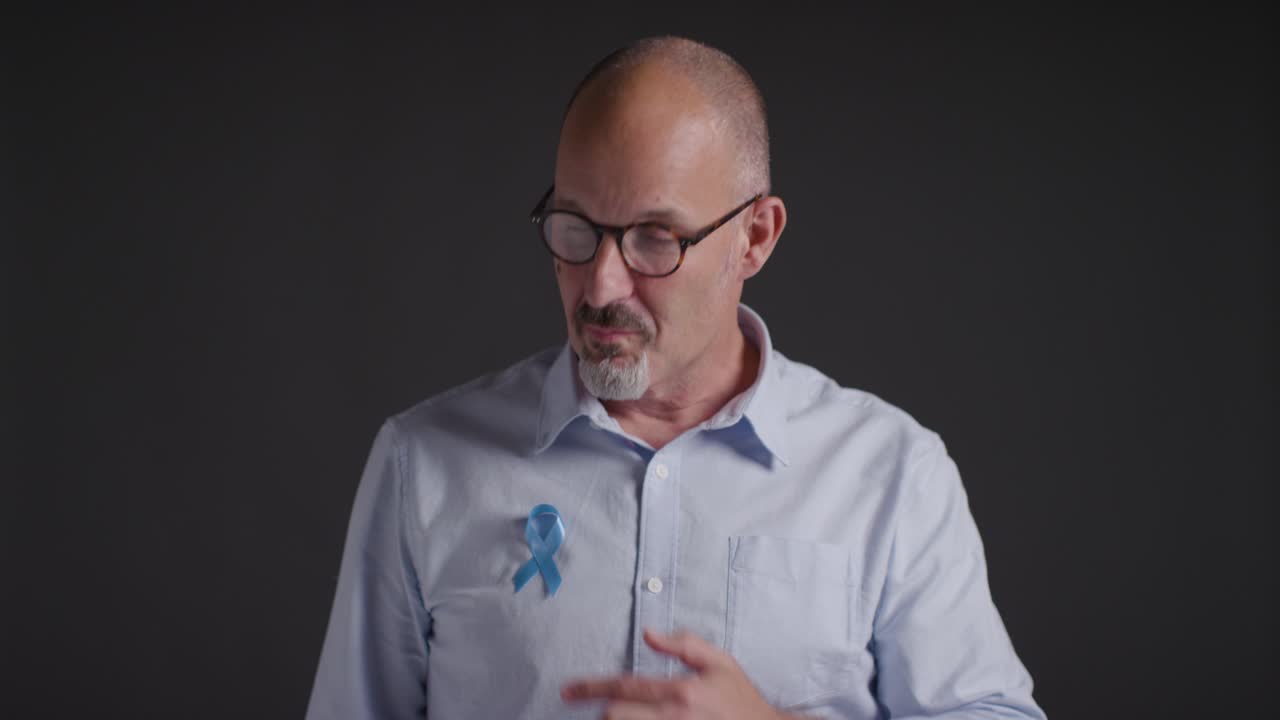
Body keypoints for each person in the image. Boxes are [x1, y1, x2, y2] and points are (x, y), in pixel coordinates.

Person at [305, 36, 1046, 720]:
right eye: (575, 227)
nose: (600, 284)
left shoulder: (891, 475)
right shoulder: (421, 465)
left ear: (755, 238)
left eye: (654, 239)